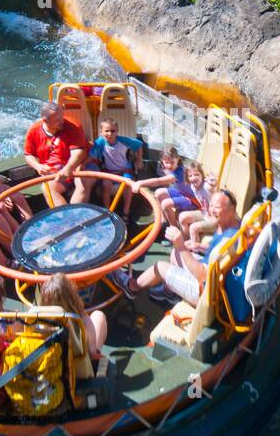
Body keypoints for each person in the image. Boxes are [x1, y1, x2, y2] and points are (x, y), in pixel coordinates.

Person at [113, 189, 250, 318]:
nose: (211, 210)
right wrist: (199, 246)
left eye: (217, 207)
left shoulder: (228, 241)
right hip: (214, 278)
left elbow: (203, 276)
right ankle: (169, 292)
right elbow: (216, 253)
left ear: (231, 210)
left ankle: (132, 287)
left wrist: (180, 244)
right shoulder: (234, 225)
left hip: (204, 291)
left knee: (159, 267)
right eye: (211, 205)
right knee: (175, 254)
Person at [24, 102, 90, 207]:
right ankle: (64, 218)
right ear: (45, 121)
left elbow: (79, 153)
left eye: (62, 117)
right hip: (54, 172)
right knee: (47, 188)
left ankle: (76, 214)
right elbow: (28, 155)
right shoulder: (34, 131)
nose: (62, 121)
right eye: (57, 120)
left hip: (79, 166)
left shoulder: (73, 126)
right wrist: (38, 166)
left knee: (83, 183)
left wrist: (68, 168)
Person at [38, 272, 108, 362]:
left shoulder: (39, 320)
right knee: (99, 316)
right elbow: (91, 351)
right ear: (72, 294)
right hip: (80, 368)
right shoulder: (81, 321)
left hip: (53, 362)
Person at [88, 118, 144, 214]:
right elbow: (91, 156)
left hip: (125, 171)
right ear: (101, 132)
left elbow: (139, 144)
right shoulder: (100, 143)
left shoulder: (124, 141)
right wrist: (82, 165)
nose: (110, 134)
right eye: (107, 131)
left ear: (117, 132)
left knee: (128, 185)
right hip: (109, 172)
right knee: (106, 184)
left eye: (113, 131)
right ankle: (108, 211)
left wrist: (139, 159)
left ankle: (126, 211)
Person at [180, 168, 219, 248]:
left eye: (196, 175)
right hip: (205, 214)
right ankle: (185, 243)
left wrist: (213, 183)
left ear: (202, 175)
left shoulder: (206, 186)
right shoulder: (193, 187)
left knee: (193, 228)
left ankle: (195, 251)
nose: (193, 178)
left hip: (216, 218)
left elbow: (213, 187)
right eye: (190, 176)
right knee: (182, 217)